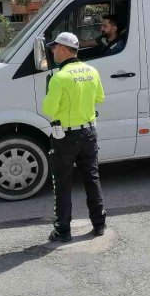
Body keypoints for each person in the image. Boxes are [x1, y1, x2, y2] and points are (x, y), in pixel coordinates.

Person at [42, 31, 107, 243]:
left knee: (61, 183)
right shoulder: (92, 70)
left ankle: (63, 231)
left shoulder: (59, 77)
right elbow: (99, 98)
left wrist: (49, 91)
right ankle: (99, 224)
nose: (52, 51)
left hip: (66, 137)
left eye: (54, 48)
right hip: (89, 133)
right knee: (92, 178)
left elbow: (49, 109)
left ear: (63, 49)